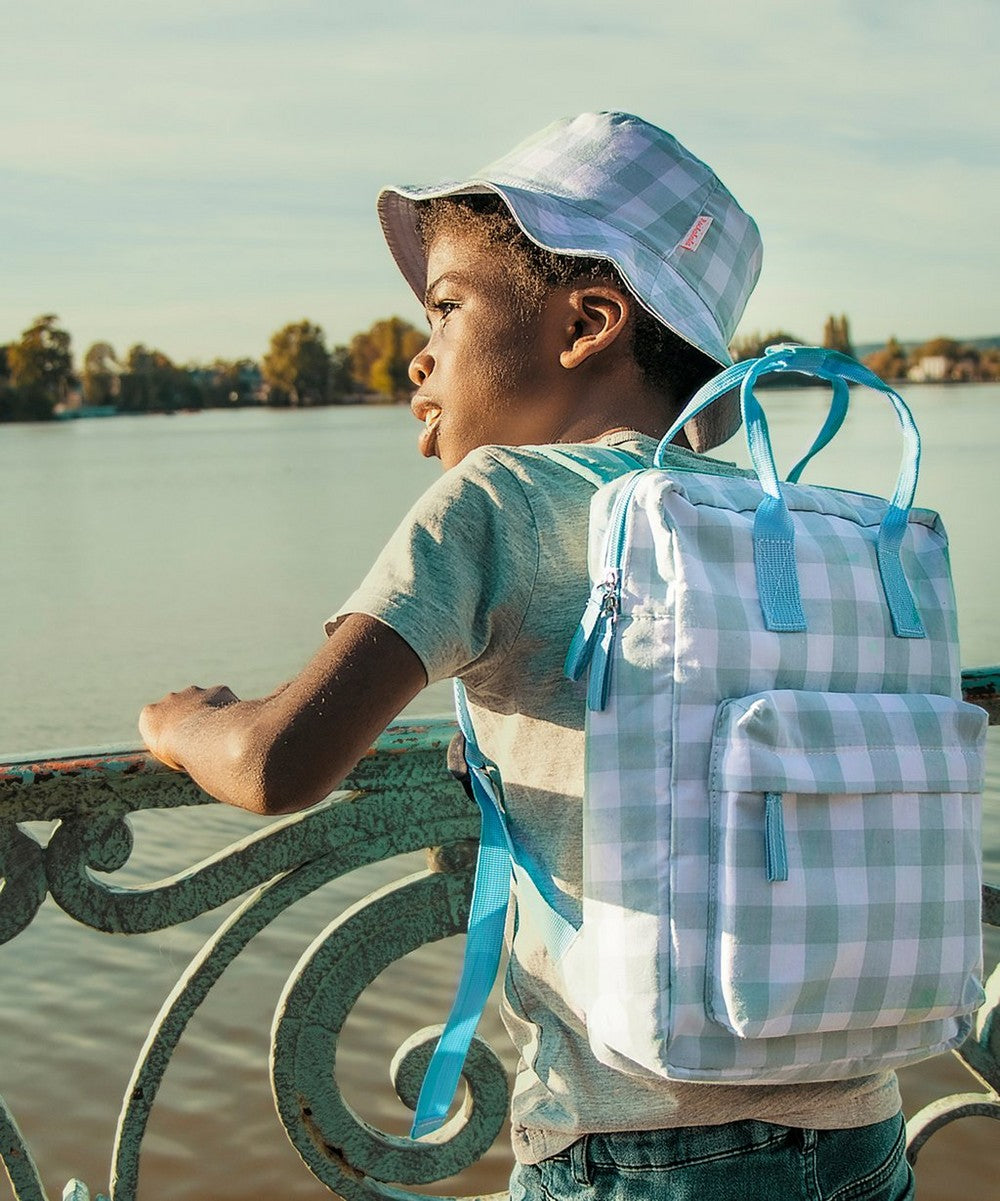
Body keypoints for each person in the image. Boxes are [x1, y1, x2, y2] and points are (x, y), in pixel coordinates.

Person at [139, 112, 914, 1200]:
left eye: (447, 305)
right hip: (861, 1125)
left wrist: (182, 726)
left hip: (636, 1145)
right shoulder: (787, 518)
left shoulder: (498, 497)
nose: (417, 349)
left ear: (587, 321)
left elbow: (277, 760)